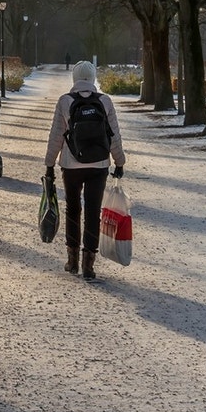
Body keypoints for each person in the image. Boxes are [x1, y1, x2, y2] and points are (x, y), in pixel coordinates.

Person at [44, 60, 126, 279]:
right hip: (99, 165)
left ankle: (72, 262)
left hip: (71, 166)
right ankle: (89, 265)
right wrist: (119, 161)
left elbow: (56, 136)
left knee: (73, 209)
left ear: (75, 79)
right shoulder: (105, 101)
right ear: (92, 78)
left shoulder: (65, 101)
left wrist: (50, 164)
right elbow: (114, 135)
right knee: (92, 212)